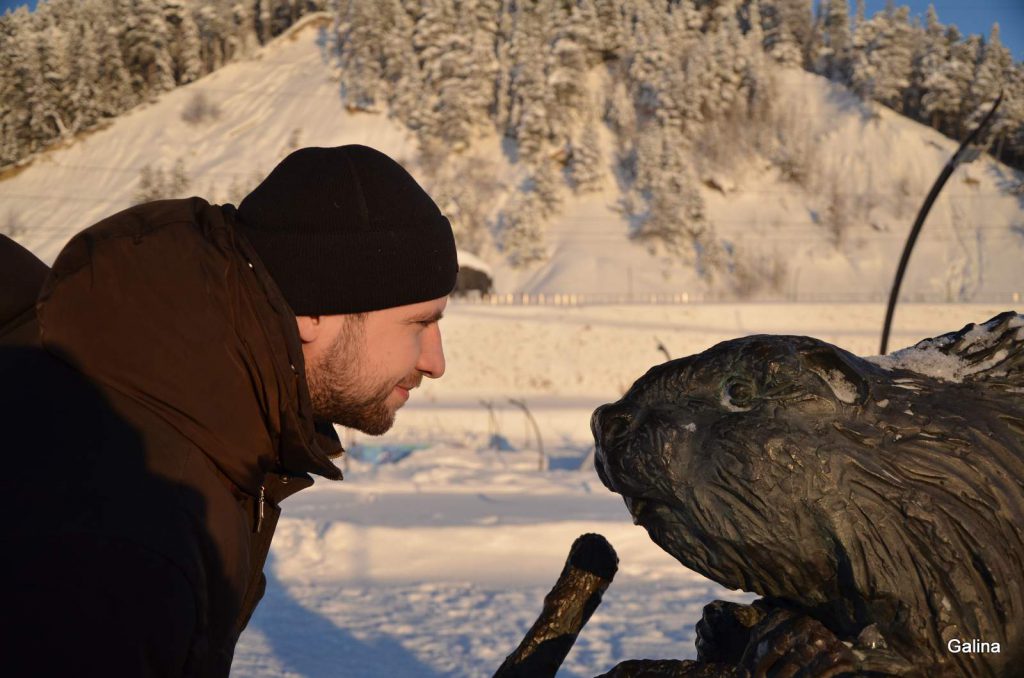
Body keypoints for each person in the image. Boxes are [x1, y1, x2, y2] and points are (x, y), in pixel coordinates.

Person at [0, 145, 458, 676]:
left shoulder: (190, 418)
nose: (436, 362)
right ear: (313, 309)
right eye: (419, 323)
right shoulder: (128, 537)